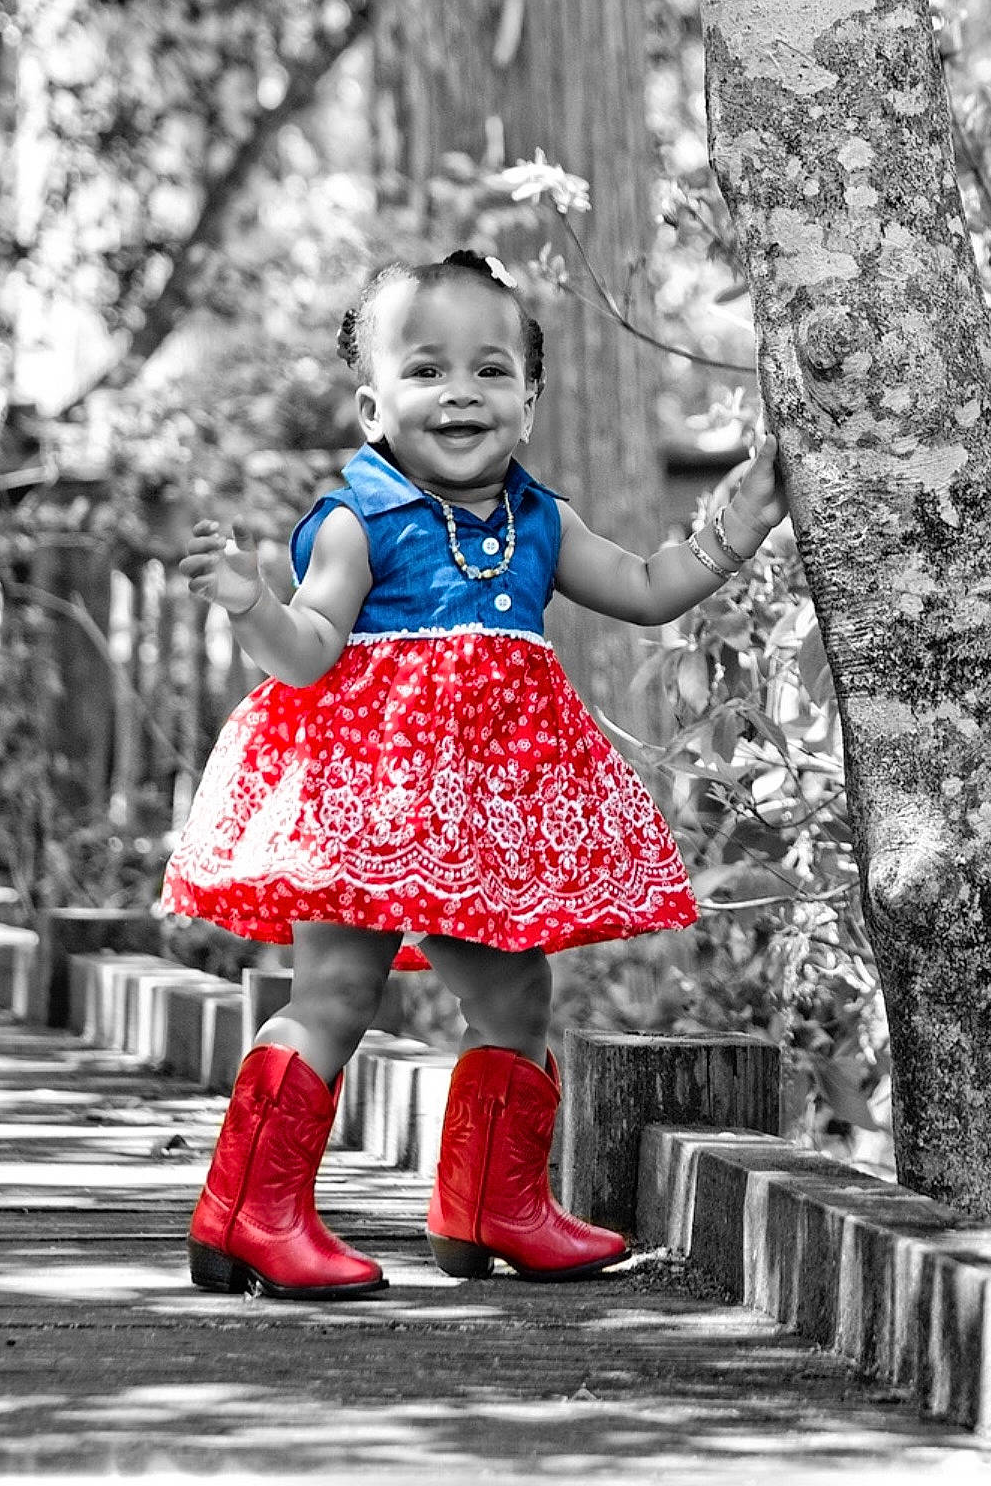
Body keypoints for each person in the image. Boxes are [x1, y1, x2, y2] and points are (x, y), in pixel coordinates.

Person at [160, 248, 788, 1301]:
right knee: (338, 988)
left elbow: (646, 588)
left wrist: (743, 519)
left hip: (482, 819)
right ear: (373, 406)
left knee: (514, 991)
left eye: (490, 371)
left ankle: (491, 1206)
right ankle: (247, 1215)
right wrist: (248, 602)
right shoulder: (363, 520)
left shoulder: (539, 523)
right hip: (370, 802)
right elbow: (308, 651)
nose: (460, 392)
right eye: (425, 370)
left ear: (529, 403)